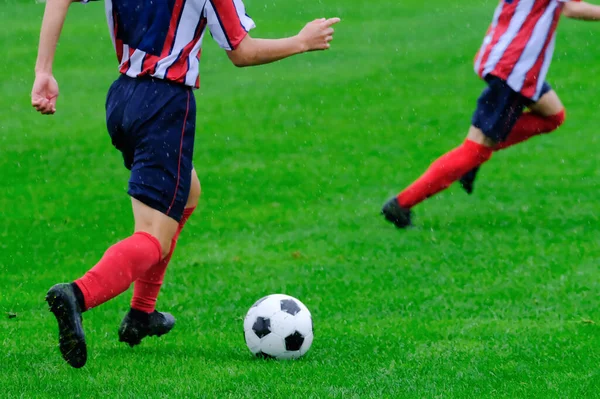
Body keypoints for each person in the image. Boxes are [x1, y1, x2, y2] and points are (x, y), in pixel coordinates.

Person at [32, 0, 340, 368]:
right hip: (165, 105)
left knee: (188, 191)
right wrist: (301, 41)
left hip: (122, 101)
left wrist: (43, 71)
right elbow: (241, 51)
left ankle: (142, 313)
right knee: (153, 237)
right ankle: (77, 295)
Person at [382, 0, 600, 229]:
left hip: (507, 56)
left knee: (552, 115)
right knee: (474, 150)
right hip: (514, 68)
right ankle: (401, 204)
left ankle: (471, 157)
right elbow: (572, 8)